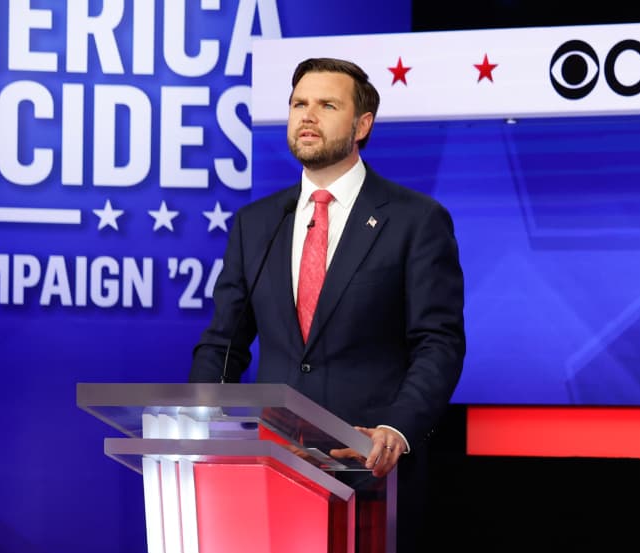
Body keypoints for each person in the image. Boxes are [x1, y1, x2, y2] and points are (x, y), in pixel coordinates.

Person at [190, 56, 465, 475]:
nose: (308, 117)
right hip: (272, 462)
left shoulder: (416, 220)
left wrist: (396, 428)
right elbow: (223, 342)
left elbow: (438, 342)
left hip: (368, 462)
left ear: (362, 126)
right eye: (299, 104)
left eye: (327, 106)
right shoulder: (256, 223)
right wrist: (200, 417)